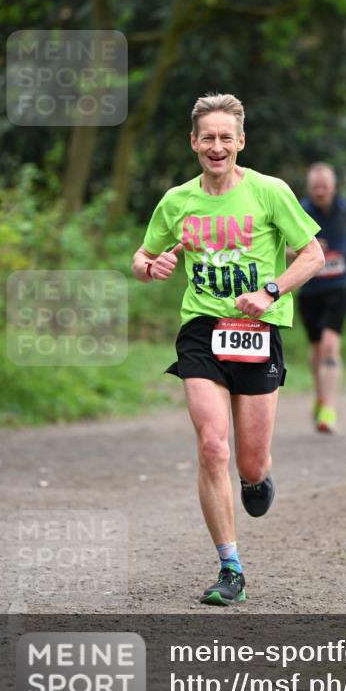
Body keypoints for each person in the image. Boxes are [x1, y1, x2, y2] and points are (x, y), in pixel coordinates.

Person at [131, 94, 324, 606]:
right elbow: (142, 257)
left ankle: (256, 481)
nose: (217, 146)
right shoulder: (177, 201)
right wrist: (150, 268)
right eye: (207, 137)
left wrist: (271, 292)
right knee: (212, 445)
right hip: (202, 329)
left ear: (240, 142)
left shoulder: (269, 192)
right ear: (194, 142)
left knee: (251, 463)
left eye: (226, 137)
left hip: (257, 331)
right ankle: (230, 567)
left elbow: (313, 253)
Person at [294, 163, 346, 433]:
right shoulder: (299, 211)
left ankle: (328, 408)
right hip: (309, 288)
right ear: (309, 188)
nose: (320, 191)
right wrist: (302, 253)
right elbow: (280, 245)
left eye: (325, 186)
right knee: (317, 348)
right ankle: (320, 395)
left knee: (330, 344)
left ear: (334, 187)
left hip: (341, 285)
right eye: (315, 187)